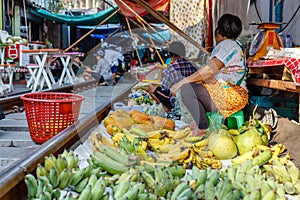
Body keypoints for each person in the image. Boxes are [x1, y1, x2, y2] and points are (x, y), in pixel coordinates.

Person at [171, 13, 248, 136]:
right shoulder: (235, 45)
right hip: (234, 95)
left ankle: (202, 128)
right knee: (194, 88)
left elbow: (209, 70)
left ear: (220, 30)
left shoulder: (227, 44)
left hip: (230, 95)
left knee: (187, 89)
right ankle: (198, 123)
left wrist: (182, 82)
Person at [147, 41, 198, 112]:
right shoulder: (193, 65)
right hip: (193, 99)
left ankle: (167, 110)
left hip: (176, 103)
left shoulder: (169, 69)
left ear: (171, 54)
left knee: (151, 87)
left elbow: (165, 89)